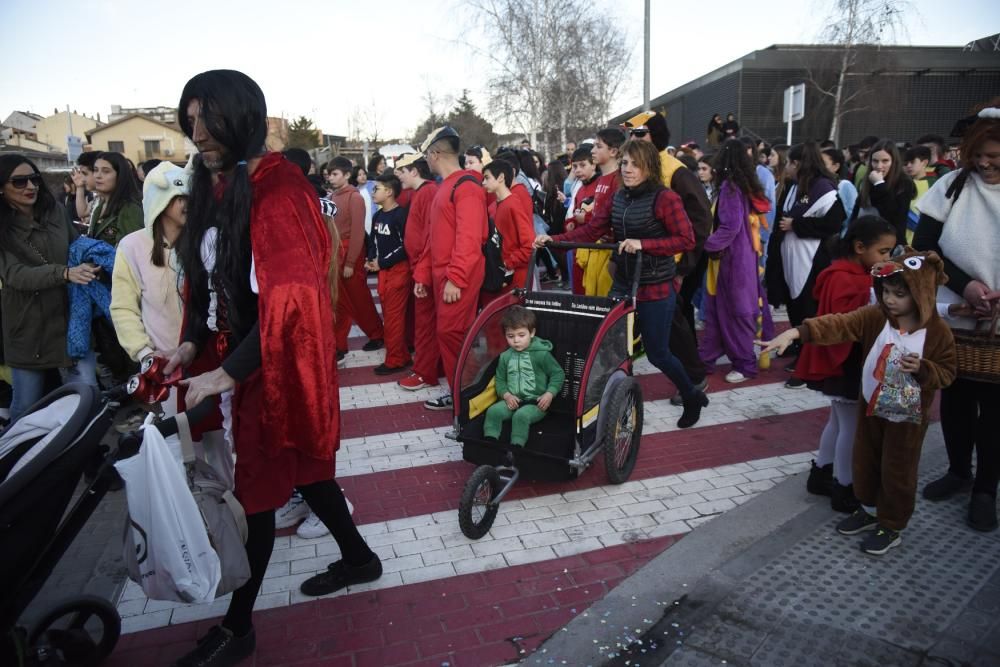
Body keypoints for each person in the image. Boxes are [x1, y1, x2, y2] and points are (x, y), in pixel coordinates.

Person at [166, 70, 380, 666]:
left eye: (209, 119)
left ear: (243, 117)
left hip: (274, 366)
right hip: (242, 360)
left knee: (259, 495)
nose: (198, 132)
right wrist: (189, 346)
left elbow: (291, 301)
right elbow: (209, 282)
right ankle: (360, 559)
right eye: (190, 121)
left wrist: (227, 373)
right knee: (308, 474)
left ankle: (240, 628)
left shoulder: (279, 190)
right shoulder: (216, 184)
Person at [760, 248, 956, 555]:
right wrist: (798, 333)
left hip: (907, 418)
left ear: (921, 293)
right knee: (865, 460)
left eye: (900, 294)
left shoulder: (937, 332)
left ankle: (891, 525)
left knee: (898, 470)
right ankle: (868, 509)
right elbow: (839, 324)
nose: (890, 300)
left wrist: (923, 369)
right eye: (887, 292)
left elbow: (947, 373)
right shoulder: (877, 317)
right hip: (872, 407)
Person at [537, 139, 708, 428]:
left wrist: (644, 244)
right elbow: (593, 229)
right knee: (609, 346)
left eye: (635, 164)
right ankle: (612, 406)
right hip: (624, 282)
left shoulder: (665, 198)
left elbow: (686, 240)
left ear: (649, 167)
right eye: (625, 163)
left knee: (658, 353)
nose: (628, 169)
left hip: (656, 285)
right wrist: (555, 240)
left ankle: (691, 394)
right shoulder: (618, 197)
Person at [914, 102, 1000, 531]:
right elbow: (925, 245)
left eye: (995, 158)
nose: (985, 164)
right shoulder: (951, 185)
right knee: (957, 399)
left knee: (996, 410)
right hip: (958, 312)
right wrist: (964, 283)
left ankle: (986, 488)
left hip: (998, 320)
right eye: (978, 155)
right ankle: (958, 471)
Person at [796, 216, 898, 512]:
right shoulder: (846, 277)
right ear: (859, 247)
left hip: (843, 360)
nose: (887, 258)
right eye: (883, 252)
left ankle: (821, 474)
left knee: (839, 422)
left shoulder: (841, 273)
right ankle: (844, 487)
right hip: (846, 362)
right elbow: (848, 320)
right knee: (851, 428)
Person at [0, 155, 100, 423]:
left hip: (71, 319)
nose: (30, 186)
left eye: (34, 179)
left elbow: (75, 244)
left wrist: (93, 259)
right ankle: (16, 461)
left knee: (88, 398)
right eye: (19, 182)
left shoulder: (54, 210)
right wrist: (65, 273)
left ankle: (88, 459)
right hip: (28, 326)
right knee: (26, 407)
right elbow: (14, 275)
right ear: (1, 187)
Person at [622, 111, 712, 400]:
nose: (634, 139)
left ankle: (694, 379)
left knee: (673, 323)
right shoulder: (634, 167)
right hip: (638, 264)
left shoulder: (675, 171)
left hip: (669, 265)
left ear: (656, 136)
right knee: (667, 324)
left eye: (641, 133)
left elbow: (700, 220)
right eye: (632, 134)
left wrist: (684, 266)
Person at [413, 126, 488, 411]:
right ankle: (462, 394)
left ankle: (467, 397)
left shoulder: (465, 186)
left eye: (426, 156)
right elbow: (434, 237)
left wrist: (455, 278)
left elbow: (469, 239)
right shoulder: (448, 186)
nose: (426, 162)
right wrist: (423, 274)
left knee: (453, 333)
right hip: (444, 275)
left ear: (435, 154)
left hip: (457, 276)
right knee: (450, 334)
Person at [765, 141, 846, 379]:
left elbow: (834, 223)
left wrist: (797, 225)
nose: (786, 166)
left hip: (811, 257)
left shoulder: (824, 187)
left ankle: (810, 358)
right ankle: (798, 344)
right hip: (791, 256)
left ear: (798, 164)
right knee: (795, 304)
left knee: (809, 307)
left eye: (790, 162)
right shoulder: (794, 186)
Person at [698, 139, 772, 384]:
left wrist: (704, 246)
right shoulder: (743, 186)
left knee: (735, 312)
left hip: (732, 262)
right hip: (742, 259)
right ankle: (707, 357)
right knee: (720, 311)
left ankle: (744, 363)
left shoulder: (730, 188)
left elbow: (730, 226)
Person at [327, 156, 384, 358]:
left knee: (360, 299)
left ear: (347, 175)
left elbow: (359, 233)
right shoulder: (333, 197)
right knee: (338, 301)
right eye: (329, 174)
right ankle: (339, 344)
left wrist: (351, 262)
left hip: (351, 252)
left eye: (335, 174)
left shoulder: (355, 197)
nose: (331, 178)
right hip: (335, 254)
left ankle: (377, 334)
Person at [483, 306, 565, 445]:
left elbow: (558, 374)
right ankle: (490, 441)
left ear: (532, 333)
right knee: (493, 411)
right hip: (512, 401)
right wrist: (506, 395)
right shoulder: (505, 357)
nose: (516, 341)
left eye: (521, 335)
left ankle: (517, 446)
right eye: (511, 336)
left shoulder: (542, 354)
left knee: (521, 416)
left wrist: (549, 394)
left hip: (537, 403)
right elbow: (500, 380)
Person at [395, 153, 442, 392]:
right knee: (424, 323)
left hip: (426, 268)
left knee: (425, 324)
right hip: (421, 266)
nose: (398, 175)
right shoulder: (422, 193)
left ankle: (425, 372)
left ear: (414, 171)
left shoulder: (429, 192)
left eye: (401, 170)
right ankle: (429, 366)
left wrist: (422, 273)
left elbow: (431, 238)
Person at [365, 173, 411, 375]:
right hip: (383, 272)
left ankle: (395, 361)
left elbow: (405, 246)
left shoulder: (400, 215)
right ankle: (401, 355)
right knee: (389, 316)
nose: (373, 192)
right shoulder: (378, 215)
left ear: (389, 192)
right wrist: (371, 259)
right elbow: (373, 242)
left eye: (376, 189)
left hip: (398, 272)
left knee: (393, 319)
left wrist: (381, 262)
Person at [849, 140, 915, 246]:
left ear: (894, 162)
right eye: (875, 161)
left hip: (888, 245)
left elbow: (894, 216)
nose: (879, 166)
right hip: (863, 242)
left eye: (885, 161)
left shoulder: (904, 183)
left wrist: (879, 184)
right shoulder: (866, 181)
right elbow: (856, 213)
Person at [481, 159, 534, 293]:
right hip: (501, 275)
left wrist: (506, 264)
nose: (483, 182)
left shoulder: (513, 204)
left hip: (515, 276)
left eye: (487, 178)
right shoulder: (496, 206)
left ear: (501, 177)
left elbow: (529, 245)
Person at [89, 152, 143, 246]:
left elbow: (130, 252)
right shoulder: (100, 205)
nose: (98, 175)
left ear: (120, 175)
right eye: (95, 170)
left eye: (106, 171)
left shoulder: (129, 209)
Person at [821, 147, 858, 233]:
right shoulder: (817, 185)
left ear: (836, 166)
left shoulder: (845, 185)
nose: (818, 167)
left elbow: (852, 216)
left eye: (823, 164)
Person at [902, 145, 931, 243]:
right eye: (906, 163)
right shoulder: (902, 184)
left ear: (925, 162)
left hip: (920, 239)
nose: (909, 166)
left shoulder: (933, 185)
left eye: (912, 162)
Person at [70, 151, 99, 225]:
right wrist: (80, 187)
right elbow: (82, 212)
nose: (82, 179)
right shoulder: (99, 198)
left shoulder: (116, 201)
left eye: (85, 173)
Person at [349, 164, 374, 235]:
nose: (363, 176)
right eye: (359, 175)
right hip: (363, 220)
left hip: (373, 217)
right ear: (354, 177)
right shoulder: (354, 190)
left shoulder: (373, 185)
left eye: (364, 174)